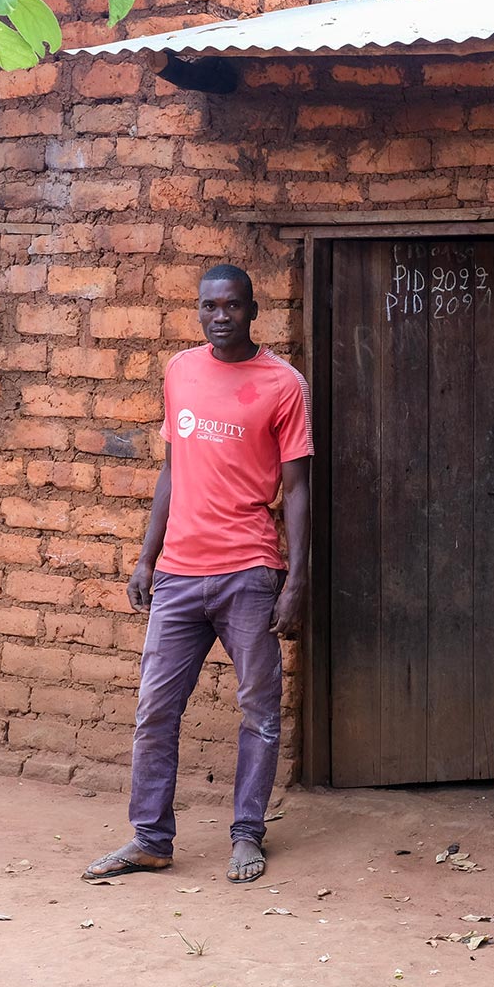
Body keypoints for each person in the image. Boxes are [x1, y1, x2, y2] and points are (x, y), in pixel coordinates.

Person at [83, 263, 311, 885]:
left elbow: (296, 489)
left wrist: (296, 580)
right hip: (180, 573)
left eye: (232, 306)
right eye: (210, 306)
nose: (219, 316)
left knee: (259, 710)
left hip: (249, 570)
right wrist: (145, 556)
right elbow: (171, 470)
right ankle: (151, 839)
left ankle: (246, 835)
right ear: (199, 310)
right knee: (156, 709)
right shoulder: (180, 371)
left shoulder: (282, 384)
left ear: (252, 309)